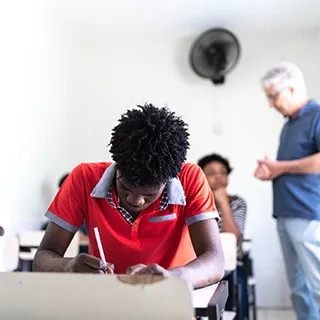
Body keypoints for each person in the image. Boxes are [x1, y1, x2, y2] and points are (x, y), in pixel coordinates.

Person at [33, 103, 224, 289]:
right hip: (105, 303)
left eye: (149, 194)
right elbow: (42, 258)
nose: (135, 200)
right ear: (116, 165)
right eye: (125, 187)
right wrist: (67, 266)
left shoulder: (190, 178)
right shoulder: (83, 178)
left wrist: (170, 278)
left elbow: (215, 262)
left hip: (168, 302)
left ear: (168, 180)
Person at [255, 62, 320, 320]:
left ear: (291, 89)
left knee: (317, 285)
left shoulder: (316, 115)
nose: (271, 104)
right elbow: (290, 168)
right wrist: (271, 170)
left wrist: (279, 167)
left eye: (273, 96)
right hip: (284, 213)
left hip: (306, 214)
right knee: (299, 288)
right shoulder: (290, 123)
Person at [198, 153, 248, 319]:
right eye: (211, 173)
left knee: (237, 283)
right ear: (201, 176)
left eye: (222, 172)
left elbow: (233, 241)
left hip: (231, 265)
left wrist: (224, 204)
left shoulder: (238, 203)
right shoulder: (195, 203)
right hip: (201, 262)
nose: (218, 177)